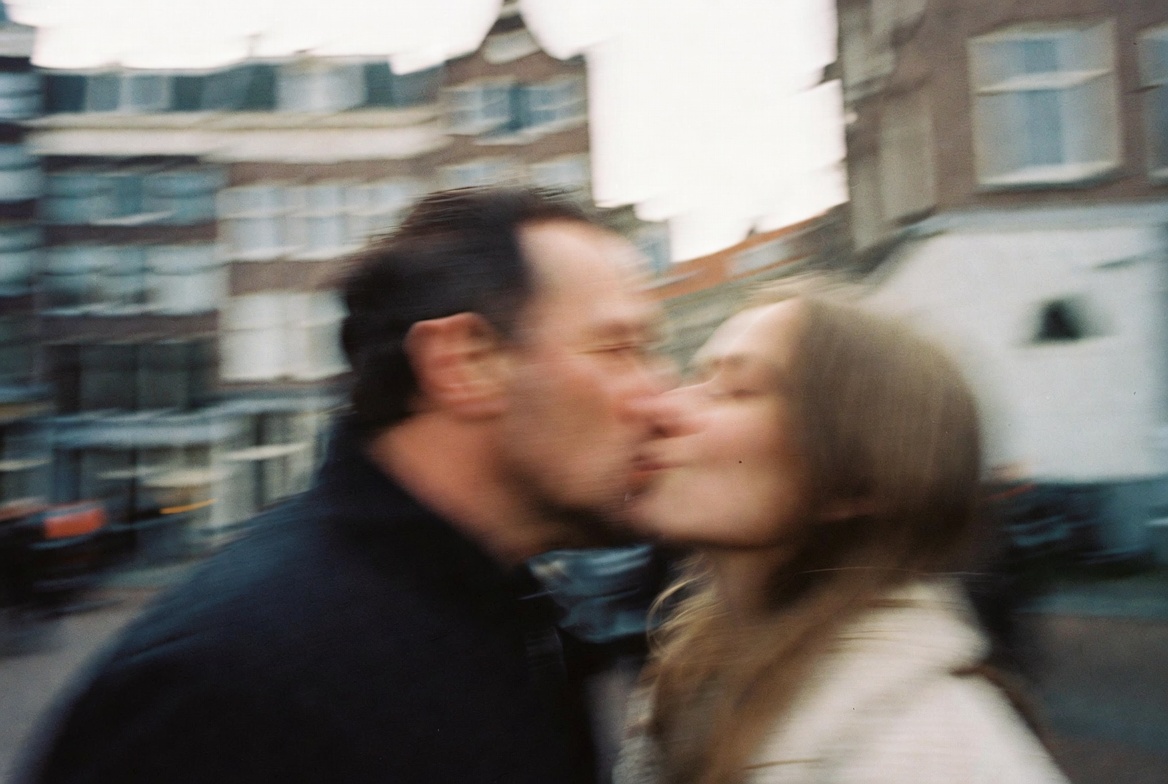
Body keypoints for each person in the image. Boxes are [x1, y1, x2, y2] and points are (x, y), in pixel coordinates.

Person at [19, 187, 669, 784]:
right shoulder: (223, 688)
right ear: (465, 364)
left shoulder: (506, 609)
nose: (659, 399)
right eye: (618, 349)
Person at [615, 280, 1069, 784]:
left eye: (736, 390)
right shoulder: (691, 677)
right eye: (698, 377)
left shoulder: (929, 752)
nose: (662, 409)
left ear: (852, 482)